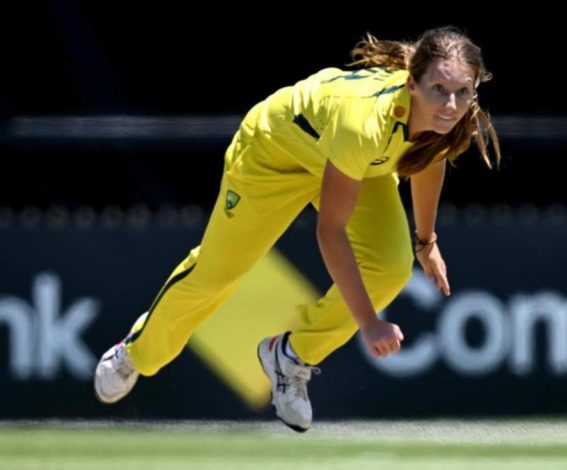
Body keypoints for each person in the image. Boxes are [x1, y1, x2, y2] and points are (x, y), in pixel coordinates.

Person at [94, 26, 500, 432]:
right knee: (217, 275)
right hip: (274, 155)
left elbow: (428, 156)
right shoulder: (364, 124)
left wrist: (425, 241)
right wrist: (368, 323)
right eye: (439, 89)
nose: (450, 104)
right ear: (413, 84)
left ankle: (290, 357)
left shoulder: (455, 113)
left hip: (349, 161)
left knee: (393, 266)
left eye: (462, 91)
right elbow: (331, 232)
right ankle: (135, 351)